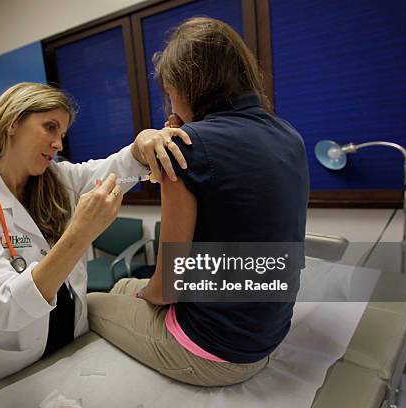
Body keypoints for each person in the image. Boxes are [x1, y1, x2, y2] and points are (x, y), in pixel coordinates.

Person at [88, 17, 309, 387]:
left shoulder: (186, 147)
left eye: (170, 93)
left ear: (184, 87)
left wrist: (147, 292)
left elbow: (166, 290)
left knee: (94, 302)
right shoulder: (288, 135)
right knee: (124, 289)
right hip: (268, 332)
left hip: (216, 353)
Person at [0, 82, 190, 395]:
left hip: (69, 340)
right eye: (50, 127)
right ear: (12, 122)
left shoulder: (59, 179)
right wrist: (80, 233)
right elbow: (6, 307)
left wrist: (143, 144)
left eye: (62, 134)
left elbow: (121, 169)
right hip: (10, 373)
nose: (59, 143)